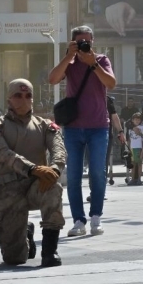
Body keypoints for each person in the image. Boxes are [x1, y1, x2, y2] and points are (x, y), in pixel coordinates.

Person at [0, 79, 65, 267]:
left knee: (53, 187)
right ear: (9, 99)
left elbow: (59, 149)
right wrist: (32, 169)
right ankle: (25, 233)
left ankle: (49, 251)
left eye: (28, 96)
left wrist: (54, 169)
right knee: (14, 258)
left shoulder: (45, 125)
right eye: (18, 96)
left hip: (37, 185)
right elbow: (4, 154)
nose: (24, 100)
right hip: (8, 191)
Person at [47, 25, 116, 237]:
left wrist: (93, 64)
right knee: (74, 176)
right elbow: (52, 79)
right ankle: (78, 220)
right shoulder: (71, 62)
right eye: (80, 42)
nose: (85, 45)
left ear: (93, 41)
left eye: (88, 41)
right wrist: (68, 56)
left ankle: (96, 216)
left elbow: (111, 83)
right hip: (74, 128)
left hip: (98, 126)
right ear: (73, 43)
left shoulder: (101, 60)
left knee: (97, 173)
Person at [126, 113, 143, 185]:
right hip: (132, 148)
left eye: (138, 119)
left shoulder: (142, 128)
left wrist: (142, 151)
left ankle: (139, 179)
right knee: (133, 164)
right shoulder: (130, 129)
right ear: (132, 120)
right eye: (135, 119)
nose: (137, 121)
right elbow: (129, 140)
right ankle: (133, 178)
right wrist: (128, 148)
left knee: (139, 163)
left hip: (138, 147)